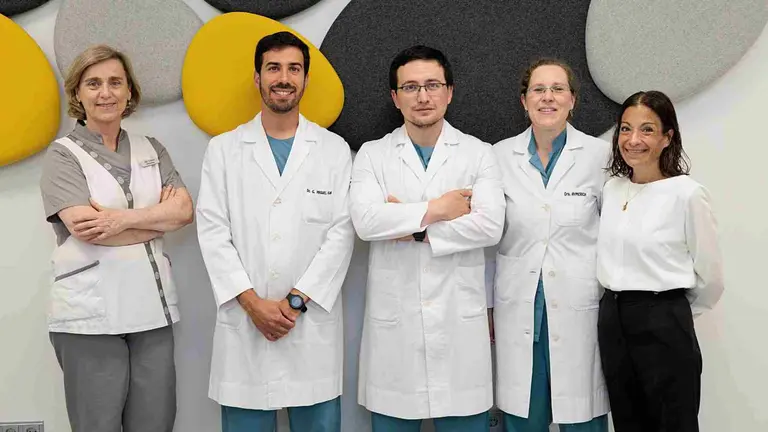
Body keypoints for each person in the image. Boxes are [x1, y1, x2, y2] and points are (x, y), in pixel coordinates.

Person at [196, 31, 355, 432]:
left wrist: (296, 303)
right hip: (245, 327)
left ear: (305, 78)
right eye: (273, 68)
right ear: (257, 77)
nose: (283, 77)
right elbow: (213, 232)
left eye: (294, 68)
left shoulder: (334, 150)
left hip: (309, 326)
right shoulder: (224, 150)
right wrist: (253, 304)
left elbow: (342, 233)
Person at [350, 45, 505, 431]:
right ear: (395, 97)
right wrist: (438, 209)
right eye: (411, 87)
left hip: (459, 334)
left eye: (432, 85)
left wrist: (410, 226)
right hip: (395, 339)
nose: (422, 96)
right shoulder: (372, 155)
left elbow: (489, 227)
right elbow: (367, 222)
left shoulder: (479, 154)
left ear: (449, 92)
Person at [39, 44, 193, 432]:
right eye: (93, 83)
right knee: (98, 425)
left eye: (114, 82)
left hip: (151, 313)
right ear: (77, 93)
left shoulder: (152, 150)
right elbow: (86, 228)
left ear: (129, 92)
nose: (105, 92)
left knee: (155, 423)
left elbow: (184, 212)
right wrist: (156, 221)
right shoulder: (63, 156)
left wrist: (122, 220)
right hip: (90, 316)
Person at [490, 58, 610, 432]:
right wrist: (488, 304)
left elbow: (617, 235)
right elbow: (487, 238)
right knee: (523, 418)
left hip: (580, 309)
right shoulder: (497, 157)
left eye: (558, 89)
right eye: (538, 90)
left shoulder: (601, 157)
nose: (548, 98)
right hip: (519, 309)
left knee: (582, 417)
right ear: (523, 101)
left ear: (573, 100)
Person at [597, 90, 724, 432]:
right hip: (613, 320)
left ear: (668, 137)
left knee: (673, 423)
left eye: (647, 130)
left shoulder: (686, 194)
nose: (633, 140)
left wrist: (670, 311)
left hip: (663, 320)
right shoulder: (612, 189)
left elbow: (711, 277)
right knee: (628, 420)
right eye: (625, 129)